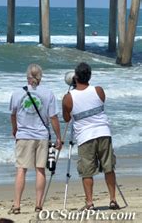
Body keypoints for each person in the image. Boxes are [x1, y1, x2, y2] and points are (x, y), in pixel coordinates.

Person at [62, 62, 120, 211]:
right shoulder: (99, 90)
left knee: (87, 171)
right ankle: (113, 199)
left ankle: (89, 203)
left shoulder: (68, 98)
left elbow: (67, 119)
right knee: (108, 167)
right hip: (103, 132)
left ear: (75, 77)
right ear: (89, 76)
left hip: (85, 137)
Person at [8, 64, 62, 214]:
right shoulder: (48, 93)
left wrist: (15, 129)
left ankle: (17, 204)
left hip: (24, 135)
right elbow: (53, 117)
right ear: (40, 76)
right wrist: (58, 137)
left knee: (21, 169)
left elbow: (13, 114)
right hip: (42, 135)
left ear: (27, 76)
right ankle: (38, 204)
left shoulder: (18, 93)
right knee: (40, 170)